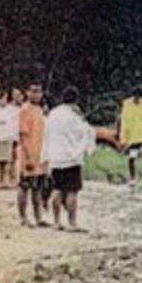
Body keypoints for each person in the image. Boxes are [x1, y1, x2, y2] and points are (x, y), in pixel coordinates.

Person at [44, 86, 95, 232]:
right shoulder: (75, 116)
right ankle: (72, 222)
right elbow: (84, 132)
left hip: (55, 157)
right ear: (76, 100)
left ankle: (56, 221)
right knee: (72, 190)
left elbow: (47, 133)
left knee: (57, 189)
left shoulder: (53, 114)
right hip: (71, 157)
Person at [14, 83, 49, 227]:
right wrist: (28, 157)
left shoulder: (40, 110)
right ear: (27, 92)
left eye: (39, 91)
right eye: (33, 91)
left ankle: (38, 217)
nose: (37, 94)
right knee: (24, 186)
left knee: (38, 188)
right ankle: (23, 217)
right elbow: (23, 134)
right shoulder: (25, 110)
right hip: (28, 155)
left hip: (41, 155)